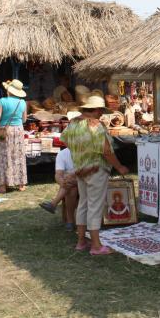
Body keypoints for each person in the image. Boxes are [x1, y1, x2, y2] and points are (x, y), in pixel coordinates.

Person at [60, 94, 129, 255]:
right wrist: (119, 167)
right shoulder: (96, 125)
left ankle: (81, 241)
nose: (102, 114)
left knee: (83, 204)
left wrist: (81, 153)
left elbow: (65, 141)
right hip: (96, 169)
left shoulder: (73, 123)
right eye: (101, 111)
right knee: (95, 207)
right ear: (96, 110)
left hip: (80, 169)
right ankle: (96, 245)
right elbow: (106, 151)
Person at [0, 79, 28, 193]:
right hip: (19, 130)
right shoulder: (23, 102)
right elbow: (24, 119)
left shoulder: (3, 101)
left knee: (5, 156)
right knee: (19, 155)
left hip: (6, 130)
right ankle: (21, 184)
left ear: (9, 91)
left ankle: (3, 186)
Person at [39, 146, 79, 231]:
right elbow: (58, 175)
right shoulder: (62, 154)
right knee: (72, 189)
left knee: (70, 182)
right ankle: (70, 221)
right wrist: (63, 183)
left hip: (84, 180)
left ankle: (54, 204)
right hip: (70, 183)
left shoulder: (85, 151)